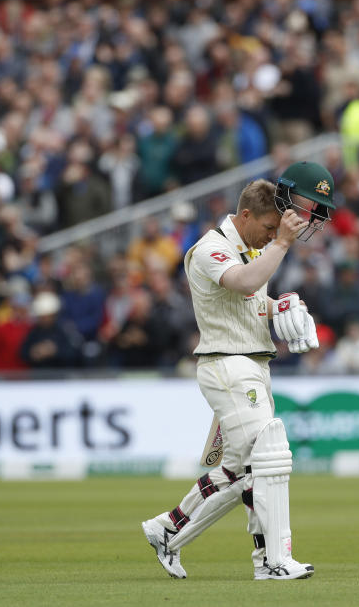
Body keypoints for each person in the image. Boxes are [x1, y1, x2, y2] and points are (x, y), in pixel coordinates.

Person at [141, 161, 336, 581]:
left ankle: (167, 529)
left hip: (251, 363)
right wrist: (280, 245)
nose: (271, 235)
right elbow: (245, 283)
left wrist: (283, 305)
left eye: (274, 232)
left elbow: (251, 300)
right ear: (245, 215)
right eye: (267, 228)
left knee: (236, 471)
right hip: (227, 365)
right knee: (269, 459)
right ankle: (271, 560)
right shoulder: (210, 248)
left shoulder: (250, 248)